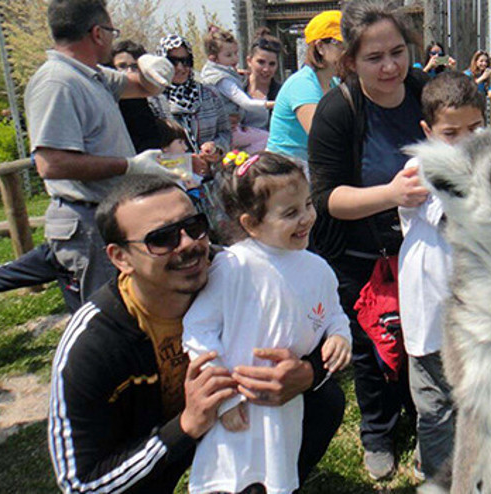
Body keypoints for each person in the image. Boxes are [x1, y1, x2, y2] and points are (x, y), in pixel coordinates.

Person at [48, 175, 347, 493]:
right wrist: (186, 426)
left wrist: (310, 372)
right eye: (161, 238)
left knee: (324, 402)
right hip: (159, 443)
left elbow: (319, 319)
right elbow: (81, 484)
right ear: (120, 258)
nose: (188, 243)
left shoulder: (239, 270)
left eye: (194, 226)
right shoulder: (95, 343)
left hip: (240, 418)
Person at [307, 0, 429, 480]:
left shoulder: (423, 91)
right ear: (350, 62)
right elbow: (327, 199)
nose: (390, 66)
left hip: (421, 248)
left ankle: (425, 423)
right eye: (374, 58)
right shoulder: (338, 112)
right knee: (374, 349)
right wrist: (392, 193)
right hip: (361, 254)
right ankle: (377, 432)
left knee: (424, 341)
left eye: (398, 52)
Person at [182, 152, 352, 494]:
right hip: (238, 408)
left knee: (277, 475)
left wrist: (339, 335)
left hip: (284, 404)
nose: (305, 218)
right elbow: (198, 330)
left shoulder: (316, 267)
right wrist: (224, 398)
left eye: (307, 204)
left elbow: (333, 311)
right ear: (250, 224)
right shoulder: (234, 267)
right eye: (290, 213)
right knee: (232, 480)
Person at [25, 0, 178, 304]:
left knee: (127, 308)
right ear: (97, 33)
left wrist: (151, 65)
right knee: (102, 317)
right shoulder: (57, 82)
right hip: (85, 222)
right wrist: (128, 166)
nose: (112, 38)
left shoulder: (92, 76)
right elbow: (50, 164)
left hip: (107, 215)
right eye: (111, 31)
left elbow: (145, 86)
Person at [397, 71, 485, 482]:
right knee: (436, 407)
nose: (466, 141)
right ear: (427, 132)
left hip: (477, 313)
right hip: (432, 314)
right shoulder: (423, 168)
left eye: (476, 129)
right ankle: (436, 476)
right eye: (452, 133)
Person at [266, 10, 344, 163]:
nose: (349, 52)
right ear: (320, 47)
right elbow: (323, 137)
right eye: (342, 45)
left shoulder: (334, 84)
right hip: (285, 170)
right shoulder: (302, 84)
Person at [156, 34, 231, 174]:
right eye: (173, 61)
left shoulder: (210, 94)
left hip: (212, 177)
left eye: (186, 61)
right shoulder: (155, 99)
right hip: (173, 178)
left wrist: (217, 149)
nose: (180, 67)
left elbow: (225, 132)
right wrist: (187, 161)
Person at [199, 25, 269, 154]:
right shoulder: (222, 80)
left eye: (236, 53)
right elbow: (245, 102)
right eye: (228, 55)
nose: (235, 59)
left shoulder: (211, 73)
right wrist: (270, 104)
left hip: (224, 127)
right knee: (265, 139)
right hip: (229, 130)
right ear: (213, 58)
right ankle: (243, 163)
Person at [110, 40, 164, 152]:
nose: (129, 71)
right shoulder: (106, 102)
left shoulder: (156, 101)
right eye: (122, 66)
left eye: (134, 66)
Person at [245, 28, 283, 130]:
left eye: (272, 64)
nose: (266, 69)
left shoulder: (282, 93)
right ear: (249, 61)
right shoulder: (235, 88)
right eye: (261, 62)